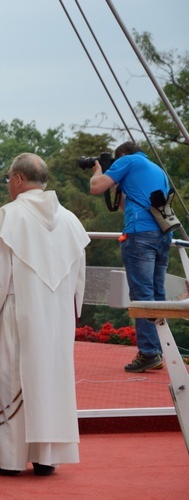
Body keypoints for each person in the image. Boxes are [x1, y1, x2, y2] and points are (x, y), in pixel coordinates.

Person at [0, 153, 89, 477]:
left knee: (9, 381)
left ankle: (5, 459)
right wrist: (71, 313)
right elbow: (79, 277)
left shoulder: (9, 216)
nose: (8, 184)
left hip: (14, 311)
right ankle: (45, 457)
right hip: (56, 317)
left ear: (19, 180)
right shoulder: (70, 220)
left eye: (9, 178)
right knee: (49, 381)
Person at [90, 141, 173, 372]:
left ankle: (148, 353)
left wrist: (98, 170)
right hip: (162, 236)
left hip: (140, 236)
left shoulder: (129, 160)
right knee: (157, 294)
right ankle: (158, 351)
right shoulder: (155, 168)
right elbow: (124, 206)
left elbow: (96, 187)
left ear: (123, 155)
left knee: (142, 295)